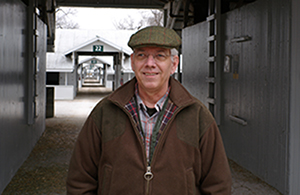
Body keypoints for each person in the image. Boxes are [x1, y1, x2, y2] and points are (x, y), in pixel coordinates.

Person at [66, 26, 232, 194]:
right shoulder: (105, 112)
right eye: (142, 55)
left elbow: (218, 185)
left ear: (174, 64)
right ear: (132, 62)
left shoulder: (197, 116)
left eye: (160, 55)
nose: (150, 64)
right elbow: (80, 181)